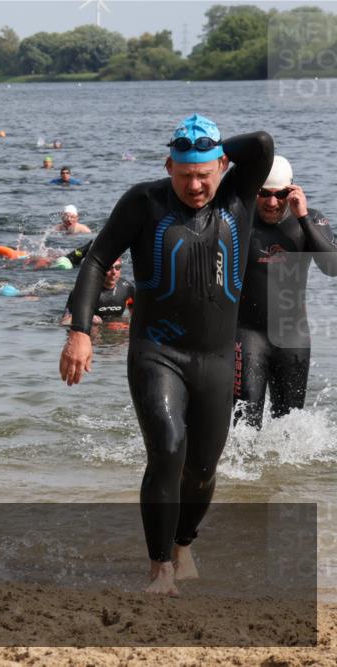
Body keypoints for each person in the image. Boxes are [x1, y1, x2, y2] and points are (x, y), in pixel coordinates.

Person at [60, 114, 273, 596]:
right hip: (158, 352)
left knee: (202, 468)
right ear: (168, 166)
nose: (195, 186)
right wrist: (81, 330)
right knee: (168, 449)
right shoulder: (145, 202)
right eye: (184, 175)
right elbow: (96, 259)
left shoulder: (237, 196)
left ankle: (183, 544)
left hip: (217, 358)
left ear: (222, 165)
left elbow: (260, 143)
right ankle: (159, 569)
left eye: (204, 174)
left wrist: (216, 151)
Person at [234, 156, 337, 428]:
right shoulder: (240, 219)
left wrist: (302, 217)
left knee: (289, 427)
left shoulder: (311, 219)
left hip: (293, 336)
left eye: (280, 194)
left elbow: (332, 267)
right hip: (247, 334)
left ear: (292, 189)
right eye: (264, 194)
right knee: (244, 423)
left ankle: (284, 474)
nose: (271, 202)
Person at [61, 252, 133, 325]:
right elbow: (64, 322)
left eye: (117, 267)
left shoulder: (127, 288)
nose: (114, 272)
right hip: (93, 328)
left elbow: (137, 315)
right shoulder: (85, 290)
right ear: (100, 269)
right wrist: (88, 318)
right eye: (109, 268)